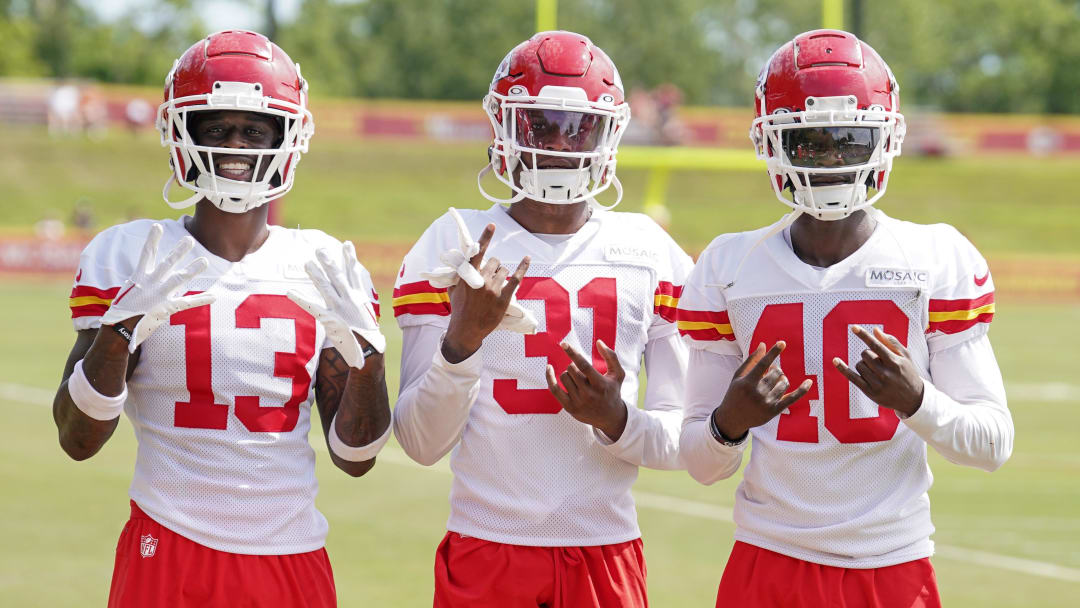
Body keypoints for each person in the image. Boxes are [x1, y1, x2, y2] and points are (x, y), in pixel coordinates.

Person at [676, 29, 1015, 607]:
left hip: (893, 562)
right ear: (772, 143)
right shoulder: (731, 267)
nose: (831, 159)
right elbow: (702, 465)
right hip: (769, 556)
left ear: (885, 140)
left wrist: (918, 401)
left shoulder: (933, 258)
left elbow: (992, 444)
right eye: (810, 142)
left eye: (850, 141)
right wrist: (727, 423)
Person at [53, 30, 390, 607]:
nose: (236, 146)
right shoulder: (135, 256)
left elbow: (355, 458)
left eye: (255, 129)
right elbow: (77, 439)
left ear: (288, 138)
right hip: (167, 542)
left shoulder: (326, 265)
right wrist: (116, 336)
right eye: (217, 128)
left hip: (290, 554)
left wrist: (370, 364)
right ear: (182, 134)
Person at [392, 30, 693, 608]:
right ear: (505, 127)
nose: (559, 142)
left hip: (605, 550)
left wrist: (617, 419)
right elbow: (421, 443)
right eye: (540, 124)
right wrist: (462, 343)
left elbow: (683, 441)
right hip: (486, 546)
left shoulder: (649, 250)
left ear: (610, 132)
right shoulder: (453, 241)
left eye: (578, 126)